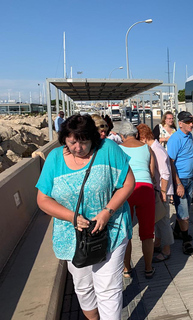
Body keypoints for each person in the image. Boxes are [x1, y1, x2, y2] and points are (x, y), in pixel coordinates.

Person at [36, 114, 135, 320]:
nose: (78, 148)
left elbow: (128, 183)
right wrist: (71, 216)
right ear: (65, 139)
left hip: (111, 229)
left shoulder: (108, 149)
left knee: (107, 288)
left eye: (84, 142)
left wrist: (107, 212)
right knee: (83, 287)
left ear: (94, 138)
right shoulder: (54, 158)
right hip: (73, 236)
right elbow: (43, 199)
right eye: (72, 142)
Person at [117, 122, 156, 279]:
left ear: (122, 136)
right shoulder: (147, 148)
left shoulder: (118, 149)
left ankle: (126, 268)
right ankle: (148, 268)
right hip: (146, 189)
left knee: (127, 232)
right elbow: (152, 172)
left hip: (126, 190)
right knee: (147, 233)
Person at [137, 124, 174, 262]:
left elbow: (165, 173)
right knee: (158, 219)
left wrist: (163, 192)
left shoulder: (156, 150)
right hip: (159, 189)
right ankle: (158, 243)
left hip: (161, 190)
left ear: (144, 137)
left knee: (163, 220)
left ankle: (166, 249)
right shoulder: (154, 148)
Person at [167, 111, 193, 255]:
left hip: (189, 178)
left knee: (184, 208)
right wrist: (177, 184)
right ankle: (186, 241)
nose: (191, 124)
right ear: (180, 123)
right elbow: (171, 162)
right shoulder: (175, 139)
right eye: (188, 122)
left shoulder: (189, 135)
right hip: (181, 180)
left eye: (192, 122)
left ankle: (178, 231)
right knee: (184, 212)